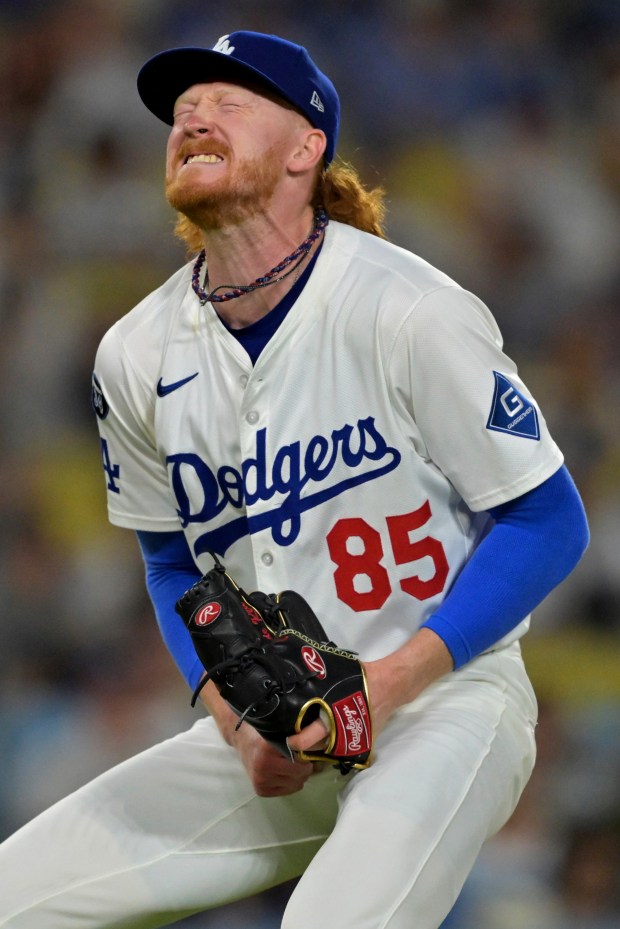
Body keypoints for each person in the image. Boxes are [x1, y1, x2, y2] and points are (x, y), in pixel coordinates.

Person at [0, 30, 589, 929]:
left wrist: (391, 682)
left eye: (230, 101)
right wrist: (233, 722)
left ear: (305, 149)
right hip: (276, 733)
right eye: (182, 109)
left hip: (444, 700)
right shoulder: (134, 353)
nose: (194, 116)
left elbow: (549, 520)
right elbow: (171, 566)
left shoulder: (408, 309)